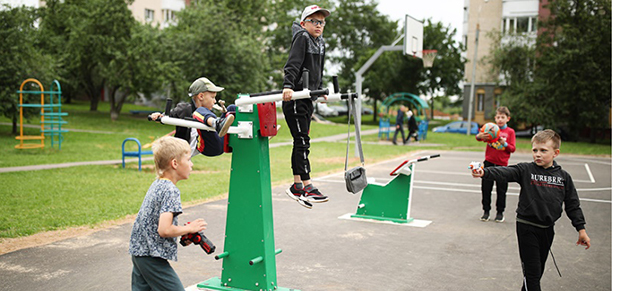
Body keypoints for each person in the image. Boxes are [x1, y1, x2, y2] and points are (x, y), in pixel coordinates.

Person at [471, 129, 591, 291]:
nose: (538, 154)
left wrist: (581, 229)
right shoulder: (526, 170)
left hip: (548, 230)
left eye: (543, 150)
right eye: (535, 150)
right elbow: (505, 172)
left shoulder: (563, 177)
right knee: (533, 275)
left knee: (535, 273)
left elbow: (572, 204)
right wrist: (484, 172)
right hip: (526, 227)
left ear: (555, 153)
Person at [128, 136, 209, 291]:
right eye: (189, 159)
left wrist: (183, 236)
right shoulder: (171, 190)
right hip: (150, 257)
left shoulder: (158, 184)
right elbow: (164, 230)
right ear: (175, 163)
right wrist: (190, 229)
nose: (191, 164)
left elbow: (154, 226)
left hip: (139, 252)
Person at [281, 4, 331, 209]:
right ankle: (307, 184)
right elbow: (293, 64)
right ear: (303, 23)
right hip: (295, 98)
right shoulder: (302, 37)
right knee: (302, 140)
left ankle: (297, 185)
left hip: (307, 98)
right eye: (314, 22)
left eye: (322, 22)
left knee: (301, 141)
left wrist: (319, 91)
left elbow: (318, 70)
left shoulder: (321, 43)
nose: (319, 26)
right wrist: (287, 86)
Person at [149, 77, 235, 158]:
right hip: (205, 148)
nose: (215, 101)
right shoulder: (185, 109)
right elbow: (167, 117)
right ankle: (216, 123)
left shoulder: (208, 113)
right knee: (199, 112)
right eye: (212, 97)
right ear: (201, 96)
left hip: (220, 142)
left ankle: (243, 128)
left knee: (232, 108)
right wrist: (159, 116)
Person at [475, 106, 516, 222]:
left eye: (503, 117)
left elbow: (512, 149)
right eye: (498, 117)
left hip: (502, 165)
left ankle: (500, 212)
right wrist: (479, 136)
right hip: (489, 163)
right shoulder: (490, 128)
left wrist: (505, 144)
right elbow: (478, 137)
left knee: (501, 190)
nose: (500, 119)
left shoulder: (510, 132)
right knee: (486, 188)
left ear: (508, 118)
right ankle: (486, 211)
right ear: (495, 118)